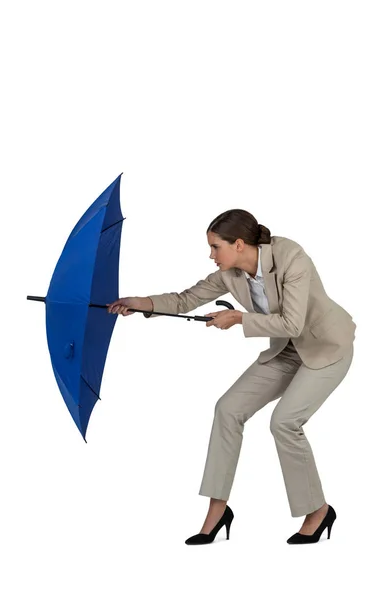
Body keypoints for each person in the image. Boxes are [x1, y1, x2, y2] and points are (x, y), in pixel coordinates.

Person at [107, 209, 356, 545]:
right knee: (227, 409)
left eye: (215, 247)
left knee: (284, 422)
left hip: (326, 348)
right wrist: (143, 302)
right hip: (286, 351)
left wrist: (238, 319)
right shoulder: (231, 272)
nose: (211, 255)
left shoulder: (290, 257)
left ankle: (318, 511)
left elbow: (294, 324)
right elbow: (185, 299)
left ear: (239, 244)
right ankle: (217, 509)